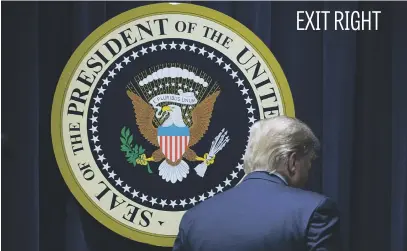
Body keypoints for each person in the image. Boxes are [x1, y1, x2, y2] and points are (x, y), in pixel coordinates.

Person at [173, 116, 341, 251]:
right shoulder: (314, 211)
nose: (309, 170)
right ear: (292, 161)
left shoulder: (194, 218)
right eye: (309, 162)